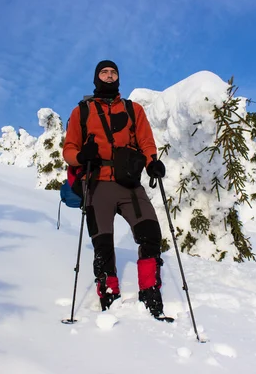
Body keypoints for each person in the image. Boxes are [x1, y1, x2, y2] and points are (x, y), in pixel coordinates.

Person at [62, 60, 167, 318]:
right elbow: (69, 150)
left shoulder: (134, 110)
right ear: (96, 78)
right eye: (104, 73)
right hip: (97, 183)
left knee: (150, 233)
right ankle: (109, 293)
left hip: (129, 183)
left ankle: (150, 290)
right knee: (103, 244)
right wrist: (81, 156)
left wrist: (153, 162)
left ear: (118, 78)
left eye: (113, 73)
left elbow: (145, 141)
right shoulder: (82, 111)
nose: (109, 77)